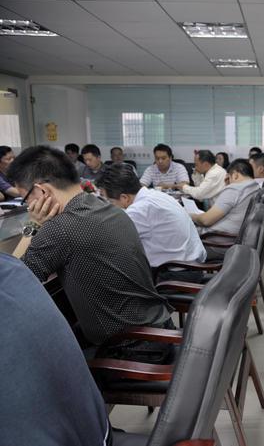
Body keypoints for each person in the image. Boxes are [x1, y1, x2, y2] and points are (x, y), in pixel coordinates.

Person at [8, 146, 174, 357]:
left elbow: (11, 282)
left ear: (42, 192)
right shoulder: (109, 208)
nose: (28, 206)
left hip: (130, 350)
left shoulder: (61, 227)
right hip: (159, 332)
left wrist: (32, 224)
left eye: (26, 199)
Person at [0, 253, 109, 446]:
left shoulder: (55, 235)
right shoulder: (14, 268)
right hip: (99, 433)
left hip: (114, 339)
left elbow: (34, 263)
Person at [97, 163, 207, 269]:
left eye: (111, 201)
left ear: (124, 198)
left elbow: (110, 242)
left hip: (175, 273)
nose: (110, 205)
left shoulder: (138, 210)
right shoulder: (156, 194)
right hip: (192, 264)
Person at [191, 158, 260, 238]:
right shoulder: (255, 187)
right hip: (239, 237)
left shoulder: (234, 190)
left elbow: (205, 220)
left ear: (235, 175)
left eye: (229, 178)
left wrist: (192, 216)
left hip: (215, 239)